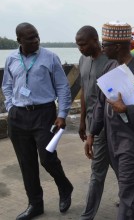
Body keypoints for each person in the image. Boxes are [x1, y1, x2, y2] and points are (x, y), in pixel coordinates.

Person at [85, 22, 134, 220]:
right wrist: (91, 133)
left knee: (126, 196)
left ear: (117, 46)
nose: (102, 48)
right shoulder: (111, 66)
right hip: (114, 141)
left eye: (106, 44)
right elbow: (102, 104)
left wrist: (127, 108)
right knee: (132, 193)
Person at [2, 23, 73, 220]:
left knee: (47, 158)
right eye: (30, 38)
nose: (35, 41)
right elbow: (7, 85)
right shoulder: (11, 59)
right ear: (19, 41)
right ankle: (35, 204)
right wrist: (10, 107)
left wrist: (62, 114)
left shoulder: (50, 57)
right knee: (27, 163)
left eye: (37, 36)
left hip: (44, 114)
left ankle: (64, 186)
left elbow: (62, 87)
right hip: (18, 116)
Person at [76, 26, 116, 220]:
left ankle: (87, 216)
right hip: (93, 125)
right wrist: (82, 120)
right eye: (77, 45)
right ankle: (88, 214)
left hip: (112, 124)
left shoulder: (111, 62)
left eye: (83, 44)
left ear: (95, 40)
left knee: (111, 167)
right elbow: (84, 91)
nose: (80, 48)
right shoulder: (83, 60)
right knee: (100, 169)